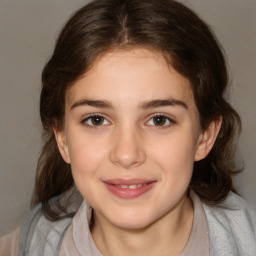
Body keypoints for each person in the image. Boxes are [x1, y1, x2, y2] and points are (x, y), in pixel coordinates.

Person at [1, 0, 256, 255]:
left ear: (205, 136)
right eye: (97, 120)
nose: (126, 154)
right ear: (62, 139)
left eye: (159, 120)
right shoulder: (26, 245)